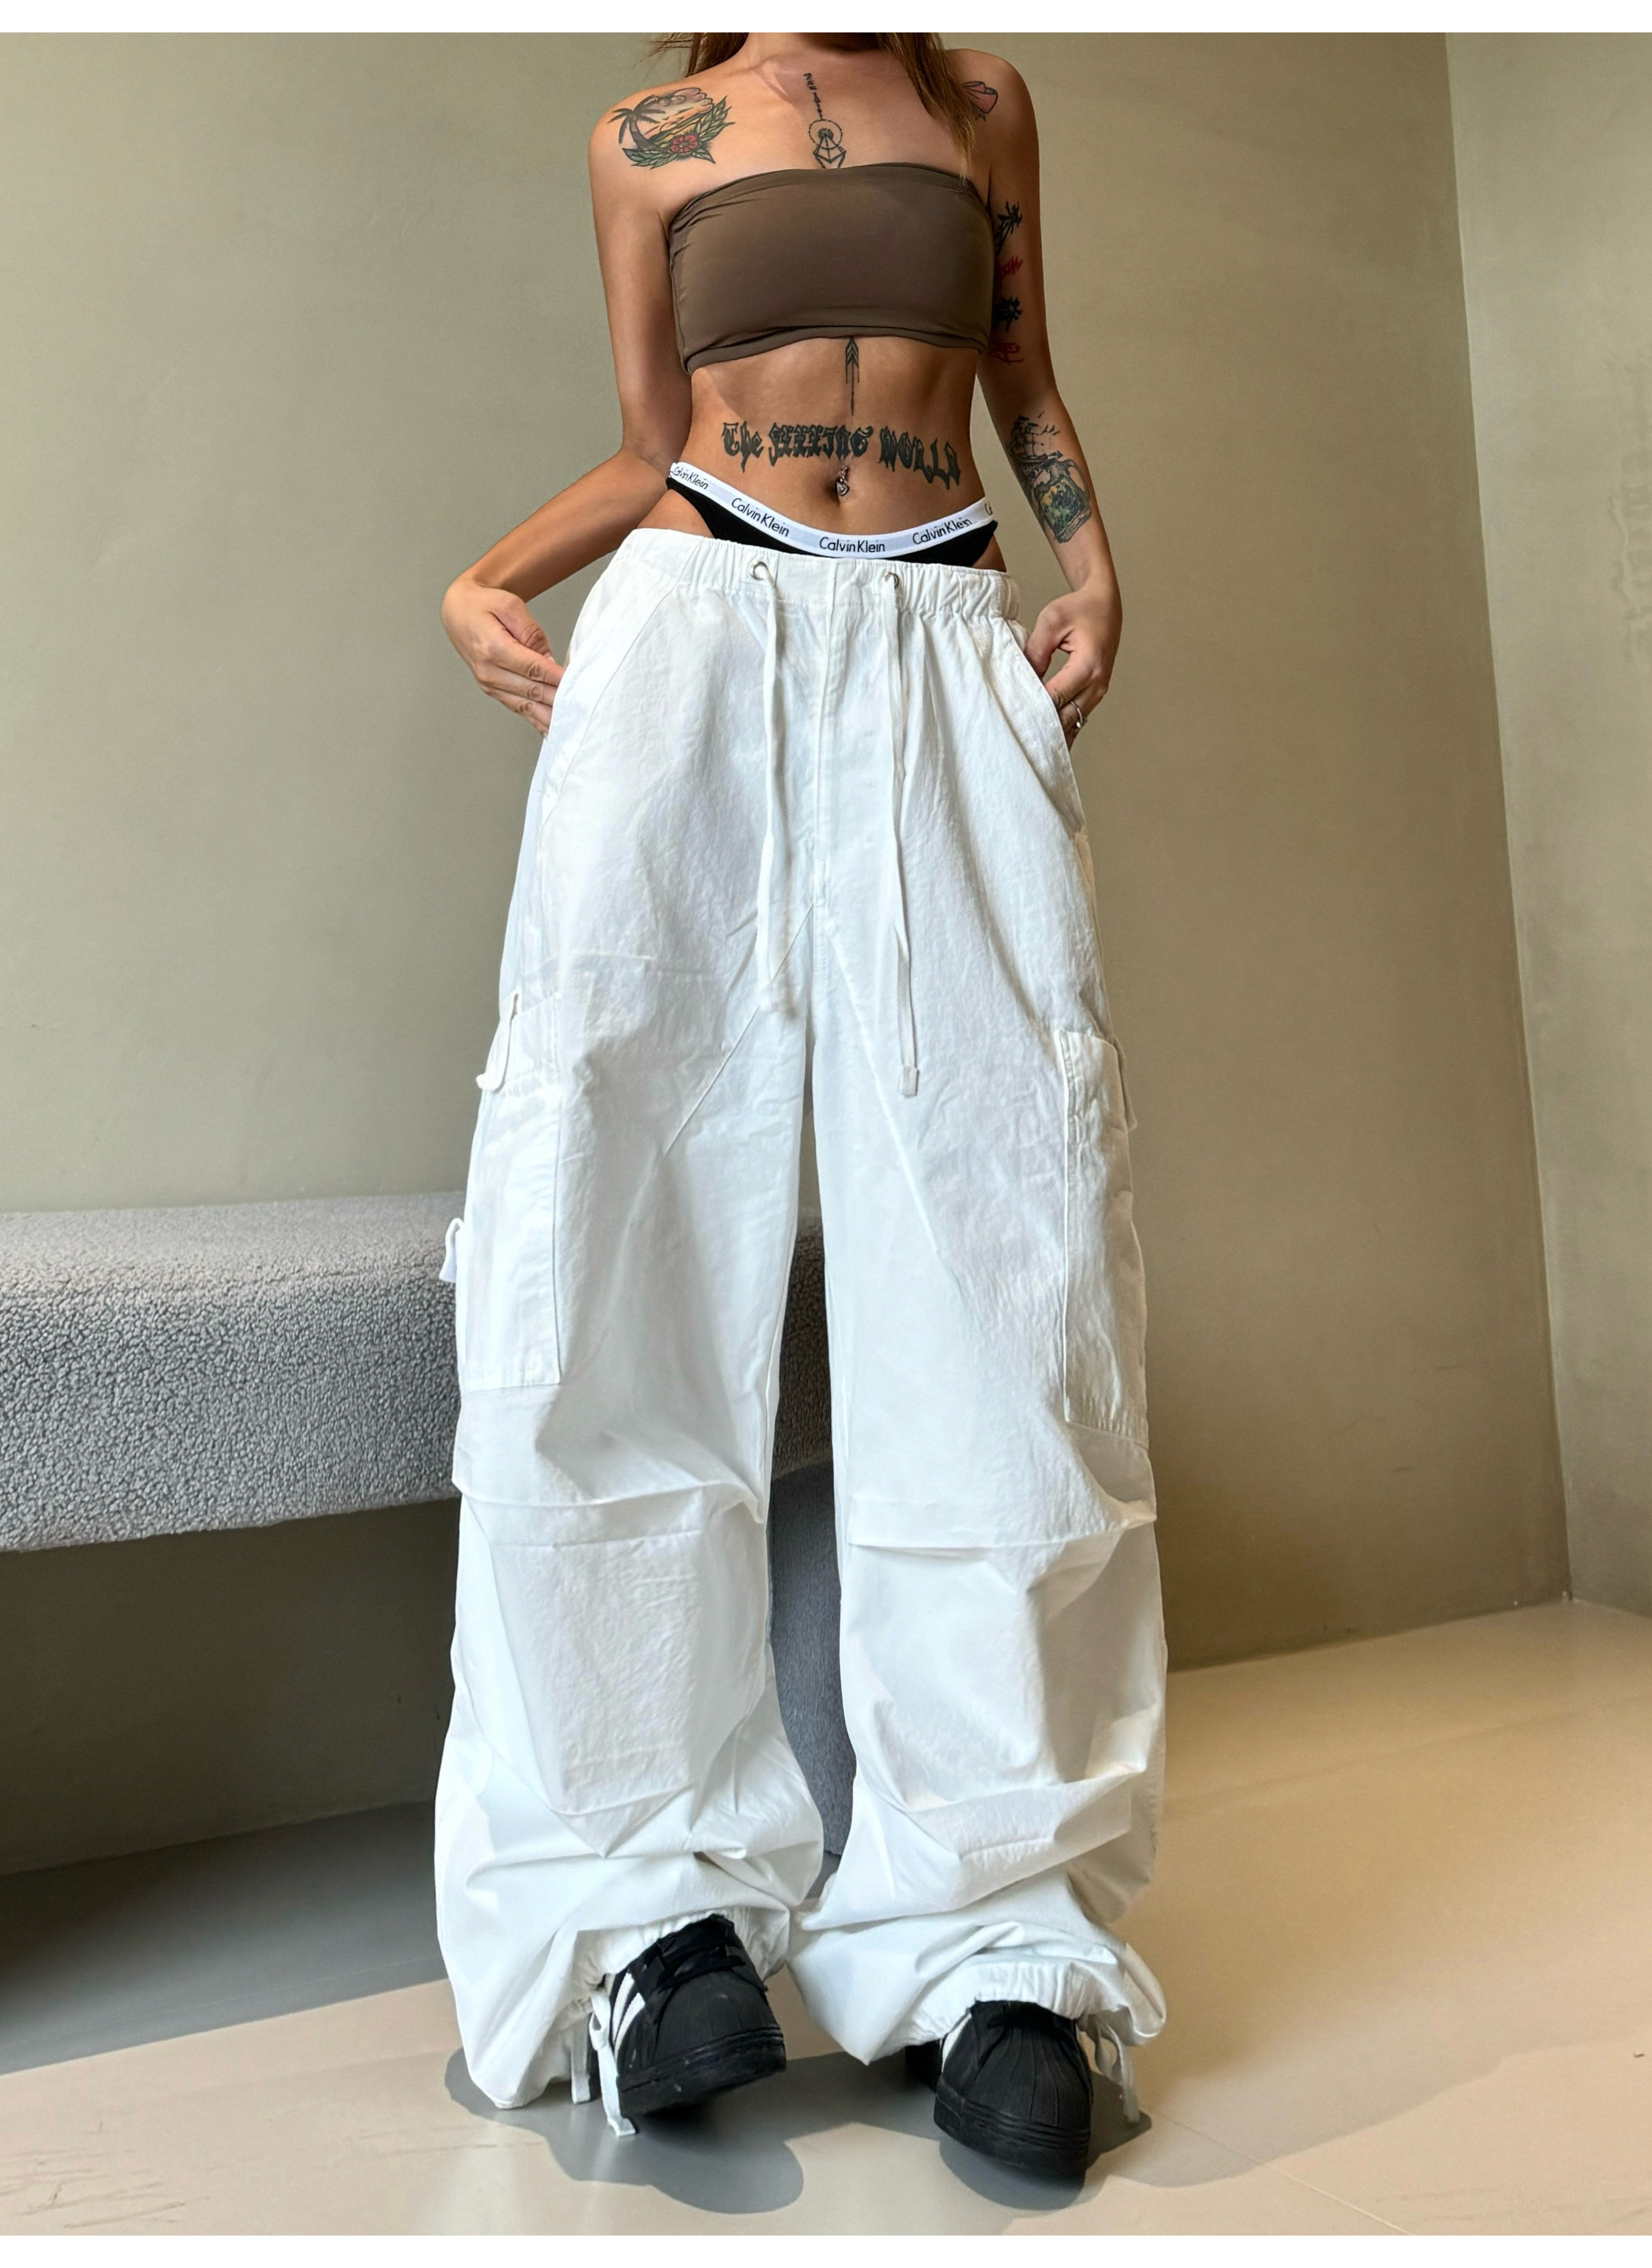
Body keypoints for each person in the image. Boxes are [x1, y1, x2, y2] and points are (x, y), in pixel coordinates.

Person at [435, 32, 1167, 2185]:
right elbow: (655, 443)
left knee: (1013, 1274)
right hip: (690, 638)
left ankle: (1000, 1939)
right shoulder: (647, 139)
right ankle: (645, 1921)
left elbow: (1024, 383)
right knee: (613, 1246)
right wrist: (492, 571)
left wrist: (1098, 566)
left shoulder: (983, 106)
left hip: (940, 636)